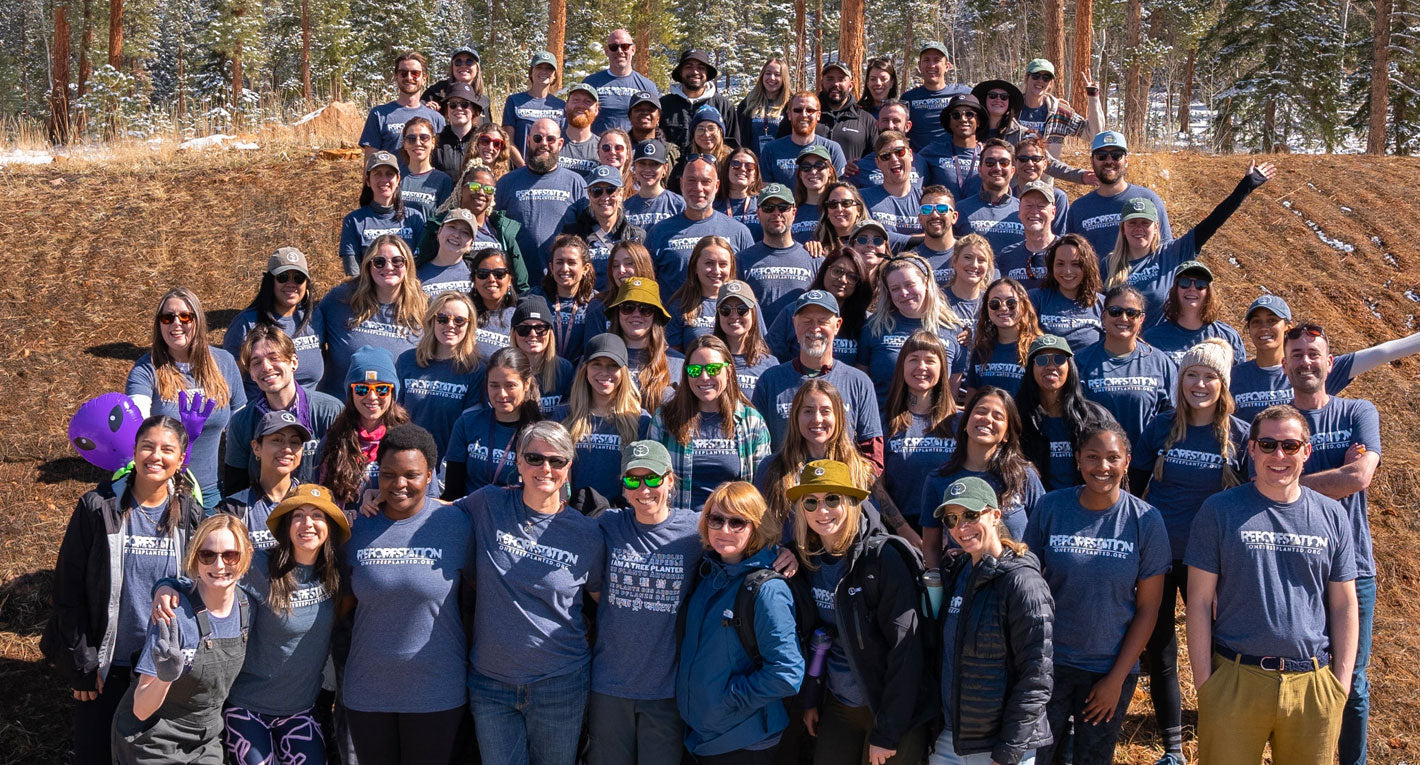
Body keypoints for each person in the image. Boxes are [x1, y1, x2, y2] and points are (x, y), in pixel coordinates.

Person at [1185, 405, 1358, 765]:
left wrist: (1338, 687)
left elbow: (1344, 604)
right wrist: (1206, 685)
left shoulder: (1333, 516)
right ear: (1250, 449)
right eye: (1267, 444)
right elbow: (1198, 602)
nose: (1279, 455)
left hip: (1312, 686)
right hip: (1235, 681)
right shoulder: (1219, 511)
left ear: (1306, 452)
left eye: (1290, 446)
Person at [43, 416, 204, 765]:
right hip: (104, 669)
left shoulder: (190, 512)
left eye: (167, 449)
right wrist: (83, 665)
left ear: (181, 459)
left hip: (160, 671)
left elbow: (199, 588)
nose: (155, 456)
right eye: (147, 446)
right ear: (133, 451)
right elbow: (68, 591)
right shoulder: (97, 507)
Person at [1025, 419, 1171, 765]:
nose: (1102, 467)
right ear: (1077, 459)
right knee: (1039, 758)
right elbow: (1027, 583)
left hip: (1108, 668)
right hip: (1050, 664)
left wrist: (1115, 680)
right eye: (1092, 457)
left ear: (1127, 460)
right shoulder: (1051, 508)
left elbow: (1149, 609)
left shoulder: (1146, 520)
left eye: (1112, 458)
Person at [458, 421, 605, 764]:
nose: (545, 468)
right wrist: (378, 498)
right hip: (491, 684)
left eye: (556, 461)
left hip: (560, 683)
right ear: (519, 463)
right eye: (535, 458)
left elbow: (601, 601)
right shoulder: (489, 504)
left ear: (569, 468)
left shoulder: (588, 533)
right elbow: (435, 509)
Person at [1130, 339, 1246, 762]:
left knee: (1219, 648)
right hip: (1159, 555)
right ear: (1180, 380)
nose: (1199, 383)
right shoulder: (1160, 427)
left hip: (1212, 561)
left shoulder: (1241, 436)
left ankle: (1224, 734)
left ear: (1223, 384)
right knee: (1159, 647)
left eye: (1209, 376)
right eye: (1191, 375)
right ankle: (1173, 748)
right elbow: (1134, 491)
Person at [339, 424, 470, 763]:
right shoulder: (356, 525)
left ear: (430, 475)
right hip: (368, 689)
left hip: (436, 690)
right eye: (388, 474)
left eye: (411, 475)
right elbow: (342, 603)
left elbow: (479, 594)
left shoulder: (456, 523)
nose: (399, 484)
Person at [789, 459, 933, 765]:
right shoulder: (808, 561)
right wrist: (812, 700)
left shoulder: (883, 558)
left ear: (853, 502)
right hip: (840, 707)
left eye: (832, 499)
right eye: (811, 501)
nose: (821, 510)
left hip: (890, 708)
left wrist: (888, 731)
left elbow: (906, 652)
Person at [1283, 324, 1382, 764]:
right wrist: (1334, 478)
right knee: (1298, 674)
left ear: (1330, 362)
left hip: (1353, 568)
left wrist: (1290, 481)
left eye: (1313, 353)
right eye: (1297, 354)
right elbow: (1263, 485)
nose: (1305, 361)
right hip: (1292, 566)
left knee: (1352, 681)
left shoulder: (1358, 411)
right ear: (1284, 365)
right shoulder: (1278, 420)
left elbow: (1360, 476)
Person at [587, 440, 703, 765]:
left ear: (670, 480)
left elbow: (744, 538)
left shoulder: (694, 531)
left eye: (652, 478)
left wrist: (784, 552)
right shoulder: (608, 524)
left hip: (665, 691)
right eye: (633, 480)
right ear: (623, 486)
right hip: (609, 685)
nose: (644, 489)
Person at [215, 483, 346, 765]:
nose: (307, 524)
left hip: (301, 709)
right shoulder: (257, 566)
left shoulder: (336, 574)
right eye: (298, 515)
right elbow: (202, 575)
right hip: (247, 707)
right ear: (286, 524)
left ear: (330, 526)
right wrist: (166, 588)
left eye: (318, 516)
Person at [676, 482, 805, 763]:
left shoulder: (767, 589)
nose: (724, 530)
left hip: (744, 740)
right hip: (704, 736)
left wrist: (728, 699)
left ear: (756, 526)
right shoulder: (707, 570)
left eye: (737, 522)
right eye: (717, 519)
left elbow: (787, 673)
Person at [928, 476, 1053, 765]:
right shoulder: (958, 572)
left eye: (971, 515)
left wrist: (1008, 751)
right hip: (950, 739)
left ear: (995, 515)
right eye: (952, 519)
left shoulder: (1024, 582)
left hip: (999, 746)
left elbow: (1037, 676)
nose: (961, 527)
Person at [110, 514, 252, 764]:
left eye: (230, 555)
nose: (219, 565)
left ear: (246, 557)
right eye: (207, 555)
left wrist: (166, 584)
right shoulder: (172, 616)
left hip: (206, 739)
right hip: (153, 741)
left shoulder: (245, 605)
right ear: (195, 558)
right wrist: (164, 679)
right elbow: (141, 708)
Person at [1099, 161, 1276, 323]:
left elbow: (1213, 221)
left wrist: (1245, 187)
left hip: (1167, 349)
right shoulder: (1108, 264)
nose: (1139, 228)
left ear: (1156, 227)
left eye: (1145, 223)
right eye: (1132, 223)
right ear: (1123, 228)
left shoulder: (1173, 253)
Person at [126, 287, 245, 508]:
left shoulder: (224, 362)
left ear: (197, 321)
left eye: (185, 316)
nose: (176, 323)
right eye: (167, 317)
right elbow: (136, 423)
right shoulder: (146, 369)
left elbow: (242, 423)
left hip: (212, 490)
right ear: (159, 324)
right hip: (162, 490)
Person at [1230, 294, 1420, 421]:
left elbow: (1383, 353)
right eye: (1256, 322)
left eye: (1272, 320)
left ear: (1288, 326)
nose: (1264, 328)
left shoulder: (1310, 369)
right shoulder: (1232, 377)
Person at [919, 386, 1044, 568]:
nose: (987, 419)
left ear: (1007, 434)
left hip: (1016, 581)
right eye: (981, 411)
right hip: (966, 583)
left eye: (998, 417)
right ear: (966, 421)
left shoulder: (1024, 476)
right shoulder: (939, 479)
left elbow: (1043, 534)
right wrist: (936, 585)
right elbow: (930, 547)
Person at [751, 290, 883, 461]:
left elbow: (872, 449)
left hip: (842, 484)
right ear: (794, 324)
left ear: (837, 325)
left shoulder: (858, 382)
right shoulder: (770, 381)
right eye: (807, 321)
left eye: (823, 322)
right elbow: (757, 446)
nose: (814, 329)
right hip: (785, 483)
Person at [649, 335, 772, 511]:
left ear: (728, 372)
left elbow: (761, 490)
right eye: (695, 370)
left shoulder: (751, 422)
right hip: (679, 527)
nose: (704, 377)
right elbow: (651, 482)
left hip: (732, 527)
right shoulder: (664, 419)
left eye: (713, 369)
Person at [225, 326, 343, 494]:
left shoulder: (330, 411)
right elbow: (235, 488)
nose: (266, 367)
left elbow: (345, 473)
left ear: (294, 362)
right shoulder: (242, 422)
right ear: (251, 373)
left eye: (274, 357)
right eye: (256, 362)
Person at [754, 380, 878, 530]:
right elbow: (761, 528)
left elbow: (870, 525)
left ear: (838, 416)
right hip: (790, 552)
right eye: (808, 411)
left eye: (825, 411)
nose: (817, 419)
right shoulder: (771, 468)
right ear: (795, 417)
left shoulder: (859, 469)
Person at [316, 236, 425, 399]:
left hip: (392, 415)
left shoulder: (423, 307)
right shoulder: (341, 299)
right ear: (368, 265)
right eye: (379, 262)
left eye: (397, 261)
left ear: (407, 265)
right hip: (340, 411)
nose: (389, 267)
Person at [1075, 284, 1178, 447]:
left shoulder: (1161, 363)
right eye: (1115, 311)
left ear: (1142, 319)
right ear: (1103, 316)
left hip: (1146, 464)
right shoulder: (1081, 362)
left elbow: (1172, 420)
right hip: (1098, 464)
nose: (1123, 318)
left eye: (1132, 313)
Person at [880, 330, 961, 535]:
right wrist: (905, 532)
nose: (921, 367)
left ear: (942, 368)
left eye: (930, 360)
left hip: (955, 531)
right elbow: (875, 486)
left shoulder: (960, 423)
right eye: (913, 359)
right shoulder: (883, 421)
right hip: (900, 532)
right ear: (902, 367)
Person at [859, 253, 966, 408]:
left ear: (926, 283)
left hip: (933, 427)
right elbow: (861, 381)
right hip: (883, 424)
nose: (903, 293)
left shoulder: (953, 329)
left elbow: (951, 395)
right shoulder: (874, 327)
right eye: (895, 288)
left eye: (910, 284)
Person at [645, 155, 754, 300]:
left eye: (706, 182)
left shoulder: (738, 232)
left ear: (716, 186)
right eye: (691, 181)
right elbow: (647, 286)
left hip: (724, 319)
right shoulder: (659, 232)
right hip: (673, 321)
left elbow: (749, 288)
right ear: (682, 184)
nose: (698, 188)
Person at [1015, 335, 1115, 491]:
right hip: (1035, 510)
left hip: (1086, 507)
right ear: (1031, 369)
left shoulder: (1097, 417)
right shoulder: (1017, 418)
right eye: (1042, 360)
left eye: (1059, 359)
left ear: (1070, 366)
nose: (1050, 366)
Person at [314, 347, 411, 508]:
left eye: (381, 389)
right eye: (362, 389)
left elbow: (427, 495)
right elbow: (318, 498)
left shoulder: (409, 439)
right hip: (347, 530)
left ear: (392, 392)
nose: (372, 397)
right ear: (351, 393)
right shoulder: (333, 441)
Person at [495, 118, 589, 283]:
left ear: (560, 144)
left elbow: (587, 232)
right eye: (538, 138)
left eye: (550, 139)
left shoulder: (576, 183)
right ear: (528, 140)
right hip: (517, 281)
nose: (543, 143)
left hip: (563, 281)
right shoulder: (506, 183)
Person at [561, 333, 653, 502]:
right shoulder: (564, 416)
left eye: (612, 366)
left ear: (623, 371)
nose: (604, 372)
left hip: (619, 516)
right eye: (596, 364)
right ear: (585, 368)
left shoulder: (640, 420)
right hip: (574, 514)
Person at [395, 292, 483, 466]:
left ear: (469, 325)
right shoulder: (407, 361)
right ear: (432, 321)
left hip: (450, 466)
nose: (450, 325)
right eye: (442, 318)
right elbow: (395, 417)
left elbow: (470, 429)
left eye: (459, 320)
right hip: (407, 461)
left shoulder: (476, 370)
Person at [224, 247, 324, 396]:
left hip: (309, 414)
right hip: (263, 414)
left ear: (306, 284)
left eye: (298, 278)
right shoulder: (246, 323)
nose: (291, 284)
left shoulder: (315, 318)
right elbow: (231, 384)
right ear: (270, 282)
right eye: (283, 277)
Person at [444, 345, 542, 496]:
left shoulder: (540, 432)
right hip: (470, 512)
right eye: (494, 385)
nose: (502, 394)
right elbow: (453, 491)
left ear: (526, 384)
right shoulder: (467, 424)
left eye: (510, 385)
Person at [1065, 131, 1173, 261]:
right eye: (1101, 156)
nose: (1109, 161)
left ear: (1126, 161)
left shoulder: (1148, 200)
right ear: (1092, 161)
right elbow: (1070, 258)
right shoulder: (1079, 208)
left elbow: (1166, 251)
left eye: (1116, 156)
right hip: (1095, 281)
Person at [422, 163, 530, 292]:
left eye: (488, 189)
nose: (481, 192)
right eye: (474, 186)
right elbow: (421, 262)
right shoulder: (441, 226)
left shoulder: (501, 229)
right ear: (461, 188)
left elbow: (521, 282)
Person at [215, 411, 308, 551]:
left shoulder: (312, 501)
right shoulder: (234, 508)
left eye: (295, 442)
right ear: (256, 447)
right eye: (277, 440)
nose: (287, 449)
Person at [764, 249, 871, 365]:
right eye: (837, 271)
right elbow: (768, 357)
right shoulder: (793, 311)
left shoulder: (866, 321)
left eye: (852, 277)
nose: (842, 280)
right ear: (824, 270)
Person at [339, 151, 426, 276]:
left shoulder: (415, 218)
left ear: (398, 180)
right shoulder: (353, 221)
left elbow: (422, 264)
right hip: (368, 293)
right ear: (368, 180)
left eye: (389, 174)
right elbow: (353, 273)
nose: (384, 180)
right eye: (377, 174)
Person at [738, 184, 816, 323]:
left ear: (794, 212)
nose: (776, 213)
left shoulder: (814, 258)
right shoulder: (741, 260)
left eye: (783, 207)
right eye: (768, 208)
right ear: (758, 213)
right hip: (756, 343)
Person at [563, 166, 647, 292]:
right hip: (586, 306)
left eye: (611, 190)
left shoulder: (637, 235)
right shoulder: (574, 235)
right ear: (589, 195)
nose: (604, 197)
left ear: (621, 193)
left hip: (624, 307)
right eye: (597, 191)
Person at [1143, 261, 1247, 363]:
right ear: (1175, 289)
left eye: (1200, 284)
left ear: (1208, 292)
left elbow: (1240, 378)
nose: (1192, 288)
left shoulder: (1227, 336)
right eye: (1185, 283)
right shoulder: (1153, 338)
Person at [606, 276, 682, 406]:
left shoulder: (679, 362)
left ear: (656, 316)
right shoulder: (596, 359)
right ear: (617, 313)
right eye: (628, 307)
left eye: (645, 309)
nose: (636, 314)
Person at [780, 60, 878, 161]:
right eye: (830, 79)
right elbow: (780, 149)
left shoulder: (866, 120)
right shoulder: (801, 114)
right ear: (821, 83)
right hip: (808, 176)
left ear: (851, 85)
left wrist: (859, 167)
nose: (835, 83)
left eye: (841, 79)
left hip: (850, 177)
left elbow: (876, 160)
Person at [965, 277, 1042, 398]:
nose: (1004, 308)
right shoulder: (981, 351)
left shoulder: (1038, 348)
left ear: (1023, 305)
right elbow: (971, 399)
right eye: (995, 304)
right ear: (987, 308)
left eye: (1011, 303)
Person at [359, 51, 445, 157]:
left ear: (423, 79)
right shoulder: (379, 115)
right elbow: (370, 162)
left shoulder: (436, 118)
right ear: (396, 77)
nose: (409, 77)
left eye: (415, 73)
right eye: (403, 73)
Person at [1028, 233, 1104, 353]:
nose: (1067, 271)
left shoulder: (1101, 304)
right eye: (1060, 264)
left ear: (1087, 267)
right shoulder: (1036, 299)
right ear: (1051, 266)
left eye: (1076, 264)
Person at [1018, 59, 1103, 157]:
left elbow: (1093, 134)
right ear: (1027, 78)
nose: (1040, 80)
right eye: (1035, 76)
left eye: (1046, 78)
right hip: (1013, 171)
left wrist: (1093, 96)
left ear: (1050, 84)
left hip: (1049, 171)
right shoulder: (1010, 109)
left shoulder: (1061, 113)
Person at [761, 92, 849, 186]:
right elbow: (765, 189)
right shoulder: (771, 150)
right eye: (798, 110)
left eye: (810, 110)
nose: (804, 114)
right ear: (789, 114)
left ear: (818, 115)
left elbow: (839, 189)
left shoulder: (832, 149)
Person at [953, 139, 1024, 255]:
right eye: (990, 162)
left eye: (1004, 163)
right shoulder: (961, 209)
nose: (997, 168)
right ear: (980, 170)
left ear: (1012, 171)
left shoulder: (1024, 210)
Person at [666, 236, 737, 349]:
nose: (716, 271)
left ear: (731, 268)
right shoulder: (679, 307)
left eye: (723, 264)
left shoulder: (745, 305)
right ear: (695, 267)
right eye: (709, 263)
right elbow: (674, 359)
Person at [661, 50, 738, 153]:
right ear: (680, 72)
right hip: (672, 168)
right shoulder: (664, 105)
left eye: (701, 68)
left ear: (707, 73)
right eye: (689, 67)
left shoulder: (723, 105)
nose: (695, 72)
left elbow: (733, 147)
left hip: (713, 168)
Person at [712, 280, 780, 398]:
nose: (734, 316)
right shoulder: (707, 359)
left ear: (753, 313)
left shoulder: (770, 364)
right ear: (718, 316)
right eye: (726, 310)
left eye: (742, 309)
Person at [900, 41, 970, 150]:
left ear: (947, 66)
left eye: (937, 60)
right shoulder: (908, 98)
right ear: (919, 65)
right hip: (920, 160)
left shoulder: (964, 94)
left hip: (952, 160)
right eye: (926, 60)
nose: (931, 65)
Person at [538, 234, 599, 359]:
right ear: (551, 267)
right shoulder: (537, 298)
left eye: (572, 263)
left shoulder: (596, 302)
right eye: (559, 262)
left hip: (581, 373)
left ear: (585, 268)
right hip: (543, 372)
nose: (565, 268)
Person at [586, 29, 659, 132]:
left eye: (624, 46)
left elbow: (656, 122)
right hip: (600, 147)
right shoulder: (591, 83)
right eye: (614, 47)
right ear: (607, 51)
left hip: (635, 147)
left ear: (633, 50)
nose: (620, 51)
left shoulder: (647, 86)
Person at [511, 295, 575, 408]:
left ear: (550, 332)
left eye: (540, 328)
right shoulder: (504, 370)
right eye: (524, 329)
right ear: (514, 334)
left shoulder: (564, 370)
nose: (533, 334)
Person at [584, 240, 658, 336]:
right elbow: (592, 349)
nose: (621, 270)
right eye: (615, 265)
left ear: (643, 266)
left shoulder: (655, 303)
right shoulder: (598, 306)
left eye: (629, 263)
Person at [994, 180, 1057, 290]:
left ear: (1053, 212)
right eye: (1028, 205)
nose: (1034, 211)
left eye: (1041, 206)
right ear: (1019, 211)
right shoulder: (1006, 256)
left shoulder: (1066, 252)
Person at [920, 94, 984, 200]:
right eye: (956, 115)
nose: (963, 119)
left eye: (969, 114)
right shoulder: (932, 151)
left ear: (978, 121)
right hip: (941, 214)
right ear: (949, 122)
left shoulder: (988, 155)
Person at [1009, 137, 1077, 232]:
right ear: (1015, 163)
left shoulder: (1057, 197)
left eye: (1036, 159)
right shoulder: (1007, 196)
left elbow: (1060, 236)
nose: (1030, 163)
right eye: (1023, 159)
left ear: (1045, 164)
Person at [503, 51, 565, 156]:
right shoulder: (514, 101)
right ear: (531, 72)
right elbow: (508, 140)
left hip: (549, 168)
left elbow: (562, 143)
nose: (544, 71)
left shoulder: (561, 106)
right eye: (539, 67)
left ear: (554, 76)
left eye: (549, 68)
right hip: (520, 169)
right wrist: (522, 167)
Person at [860, 132, 923, 235]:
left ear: (910, 155)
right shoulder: (862, 198)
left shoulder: (926, 200)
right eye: (886, 156)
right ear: (878, 163)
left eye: (899, 152)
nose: (894, 159)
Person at [397, 118, 454, 221]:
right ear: (404, 144)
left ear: (433, 143)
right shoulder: (395, 177)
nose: (418, 143)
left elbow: (443, 220)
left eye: (424, 138)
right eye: (411, 139)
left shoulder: (443, 181)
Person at [625, 138, 686, 230]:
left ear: (665, 168)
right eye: (642, 163)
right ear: (634, 167)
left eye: (654, 164)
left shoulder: (679, 204)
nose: (648, 169)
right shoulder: (625, 207)